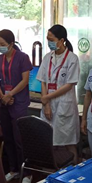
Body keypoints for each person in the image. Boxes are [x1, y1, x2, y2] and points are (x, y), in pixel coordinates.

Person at [0, 30, 34, 183]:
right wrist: (3, 95)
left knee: (20, 139)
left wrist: (10, 94)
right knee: (8, 137)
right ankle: (13, 169)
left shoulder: (23, 58)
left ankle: (27, 172)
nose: (0, 47)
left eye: (3, 44)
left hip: (18, 103)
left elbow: (25, 81)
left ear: (11, 44)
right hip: (3, 102)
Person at [37, 25, 80, 160]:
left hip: (64, 105)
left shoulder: (72, 59)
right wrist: (46, 104)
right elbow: (43, 81)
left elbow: (69, 85)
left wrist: (47, 97)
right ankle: (54, 169)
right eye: (48, 39)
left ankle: (73, 169)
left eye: (52, 40)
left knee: (68, 142)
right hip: (49, 104)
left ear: (61, 41)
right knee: (49, 142)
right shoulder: (47, 57)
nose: (49, 42)